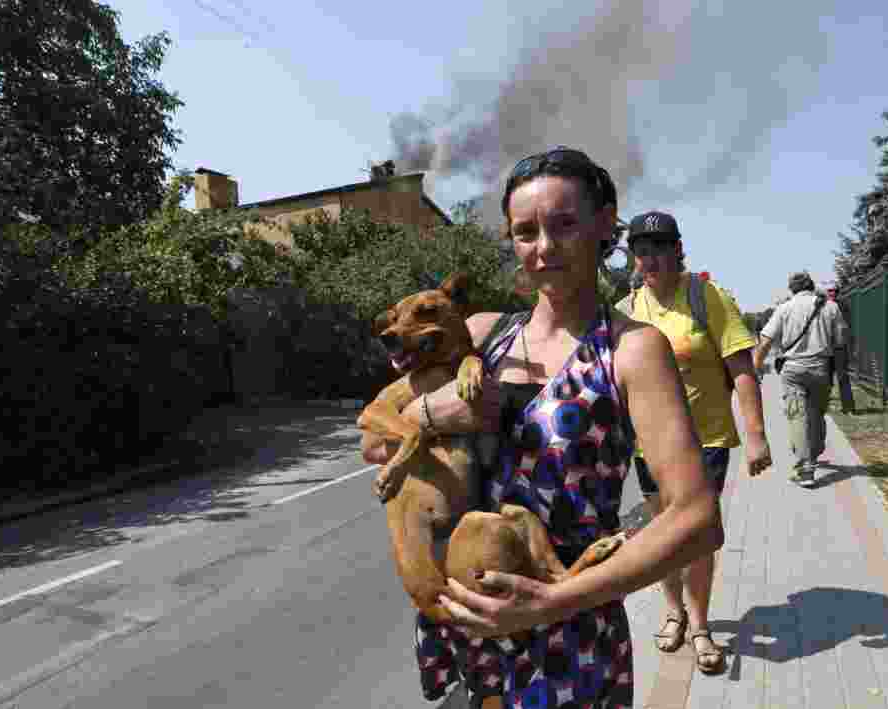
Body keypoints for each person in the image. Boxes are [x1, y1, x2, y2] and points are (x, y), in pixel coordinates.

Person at [360, 146, 724, 708]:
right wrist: (434, 415)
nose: (544, 247)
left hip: (568, 641)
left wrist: (553, 603)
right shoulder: (483, 334)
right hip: (470, 638)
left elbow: (697, 520)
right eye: (525, 232)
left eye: (564, 224)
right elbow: (371, 441)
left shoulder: (630, 350)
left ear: (605, 225)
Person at [616, 210, 771, 674]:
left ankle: (701, 626)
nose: (651, 258)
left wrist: (757, 435)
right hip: (650, 447)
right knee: (664, 536)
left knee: (698, 539)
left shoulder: (707, 298)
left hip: (707, 441)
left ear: (678, 250)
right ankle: (673, 612)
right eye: (641, 250)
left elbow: (741, 367)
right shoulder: (626, 310)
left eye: (660, 248)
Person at [753, 272, 848, 488]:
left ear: (791, 289)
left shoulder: (784, 308)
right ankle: (815, 449)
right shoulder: (830, 307)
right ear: (812, 286)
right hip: (821, 368)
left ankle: (806, 469)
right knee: (816, 413)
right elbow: (841, 339)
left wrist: (756, 367)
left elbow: (765, 340)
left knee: (797, 416)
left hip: (793, 370)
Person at [826, 285, 856, 414]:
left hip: (839, 347)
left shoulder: (843, 306)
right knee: (825, 378)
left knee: (843, 377)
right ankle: (824, 404)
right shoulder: (821, 307)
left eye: (834, 290)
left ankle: (848, 407)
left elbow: (848, 326)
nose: (832, 293)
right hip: (826, 347)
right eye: (829, 291)